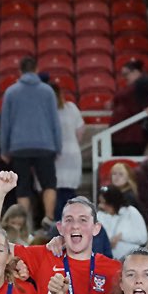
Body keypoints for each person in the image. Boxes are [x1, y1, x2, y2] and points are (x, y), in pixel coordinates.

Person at [0, 56, 61, 227]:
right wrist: (58, 146)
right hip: (45, 144)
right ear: (36, 69)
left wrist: (4, 149)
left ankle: (23, 223)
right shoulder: (47, 91)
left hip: (19, 146)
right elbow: (54, 121)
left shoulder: (11, 92)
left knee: (22, 187)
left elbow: (5, 123)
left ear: (20, 71)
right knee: (49, 183)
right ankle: (48, 217)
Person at [111, 61, 148, 158]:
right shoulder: (131, 86)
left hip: (132, 133)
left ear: (136, 72)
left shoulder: (142, 81)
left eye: (126, 74)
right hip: (122, 133)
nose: (124, 77)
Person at [53, 84, 86, 212]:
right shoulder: (71, 107)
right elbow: (80, 131)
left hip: (56, 153)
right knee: (68, 190)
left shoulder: (47, 110)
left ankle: (59, 222)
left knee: (56, 191)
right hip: (72, 151)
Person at [96, 186, 148, 260]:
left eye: (105, 203)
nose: (101, 206)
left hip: (131, 259)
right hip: (108, 260)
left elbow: (143, 238)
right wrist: (106, 244)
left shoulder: (131, 212)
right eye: (100, 202)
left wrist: (122, 236)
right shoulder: (100, 215)